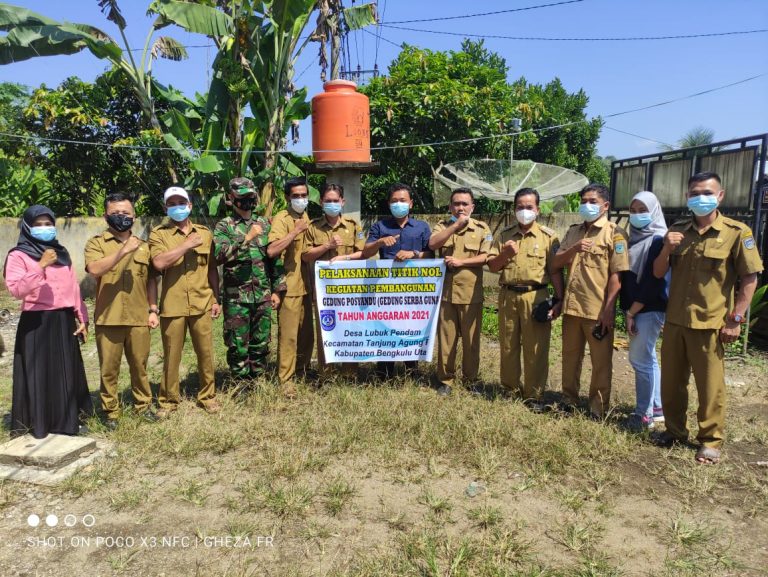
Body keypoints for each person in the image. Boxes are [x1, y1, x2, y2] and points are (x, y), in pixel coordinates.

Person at [652, 172, 762, 464]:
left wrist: (735, 319)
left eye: (706, 192)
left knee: (710, 386)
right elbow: (658, 272)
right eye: (694, 193)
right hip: (675, 320)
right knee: (672, 382)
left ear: (720, 196)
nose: (700, 198)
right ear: (687, 197)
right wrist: (666, 247)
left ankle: (710, 440)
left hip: (711, 324)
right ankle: (674, 431)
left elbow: (750, 278)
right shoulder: (677, 230)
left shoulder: (737, 232)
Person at [4, 205, 93, 438]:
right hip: (36, 321)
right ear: (27, 227)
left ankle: (67, 421)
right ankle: (40, 423)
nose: (45, 228)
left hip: (63, 319)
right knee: (39, 372)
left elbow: (73, 287)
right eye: (38, 224)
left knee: (66, 371)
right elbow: (16, 290)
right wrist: (40, 265)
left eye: (48, 223)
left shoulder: (61, 253)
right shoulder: (18, 255)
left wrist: (81, 317)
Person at [552, 183, 629, 419]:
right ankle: (568, 400)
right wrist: (573, 249)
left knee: (601, 362)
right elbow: (555, 263)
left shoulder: (615, 233)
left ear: (605, 206)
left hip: (597, 311)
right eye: (584, 201)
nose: (586, 205)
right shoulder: (573, 232)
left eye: (592, 201)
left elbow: (617, 275)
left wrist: (609, 310)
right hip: (573, 307)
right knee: (570, 358)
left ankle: (598, 408)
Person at [85, 192, 160, 429]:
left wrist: (153, 309)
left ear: (134, 215)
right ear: (106, 216)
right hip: (109, 317)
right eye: (116, 213)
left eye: (126, 213)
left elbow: (150, 281)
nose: (121, 217)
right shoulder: (96, 243)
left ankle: (143, 405)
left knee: (140, 366)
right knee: (109, 369)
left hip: (139, 316)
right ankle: (111, 413)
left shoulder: (144, 247)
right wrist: (122, 252)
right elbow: (94, 269)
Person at [487, 188, 563, 410]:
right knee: (508, 345)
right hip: (508, 295)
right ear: (514, 210)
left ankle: (534, 395)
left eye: (529, 207)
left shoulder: (549, 237)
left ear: (537, 210)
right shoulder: (504, 235)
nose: (524, 211)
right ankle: (510, 390)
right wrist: (505, 254)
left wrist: (559, 300)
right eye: (520, 207)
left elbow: (556, 270)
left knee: (536, 348)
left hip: (536, 295)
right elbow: (492, 266)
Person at [149, 186, 222, 418]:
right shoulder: (158, 234)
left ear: (190, 205)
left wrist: (216, 298)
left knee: (205, 352)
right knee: (172, 355)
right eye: (172, 204)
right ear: (166, 208)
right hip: (173, 304)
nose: (177, 207)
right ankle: (169, 401)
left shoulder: (205, 233)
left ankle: (208, 396)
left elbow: (211, 269)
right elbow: (159, 263)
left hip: (202, 301)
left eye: (182, 202)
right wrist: (186, 245)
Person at [214, 177, 286, 382]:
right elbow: (219, 256)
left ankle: (257, 380)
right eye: (242, 197)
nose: (248, 201)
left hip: (262, 295)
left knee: (261, 342)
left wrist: (277, 290)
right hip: (237, 298)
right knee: (237, 344)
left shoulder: (264, 223)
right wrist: (246, 238)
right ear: (231, 198)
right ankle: (240, 383)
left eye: (251, 196)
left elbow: (273, 259)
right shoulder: (224, 226)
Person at [361, 182, 431, 378]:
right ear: (388, 204)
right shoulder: (379, 226)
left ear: (410, 204)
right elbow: (366, 252)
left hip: (413, 288)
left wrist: (413, 253)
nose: (398, 204)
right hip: (387, 289)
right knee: (386, 326)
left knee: (410, 326)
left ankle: (412, 370)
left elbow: (431, 254)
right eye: (394, 201)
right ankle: (384, 371)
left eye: (402, 200)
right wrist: (380, 242)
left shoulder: (421, 227)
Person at [428, 187, 492, 396]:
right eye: (456, 204)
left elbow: (486, 257)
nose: (461, 207)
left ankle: (471, 379)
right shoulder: (442, 226)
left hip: (470, 294)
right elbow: (432, 243)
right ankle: (446, 380)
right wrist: (455, 226)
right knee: (447, 340)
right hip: (446, 293)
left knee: (471, 340)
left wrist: (461, 262)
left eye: (465, 204)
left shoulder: (482, 229)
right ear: (450, 207)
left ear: (472, 207)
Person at [302, 183, 365, 375]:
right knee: (326, 332)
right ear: (321, 202)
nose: (332, 204)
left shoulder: (353, 225)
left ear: (342, 202)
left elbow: (362, 253)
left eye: (335, 201)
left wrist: (343, 258)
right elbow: (305, 255)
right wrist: (326, 246)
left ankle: (350, 372)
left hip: (349, 291)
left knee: (349, 330)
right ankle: (326, 373)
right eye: (328, 201)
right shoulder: (313, 227)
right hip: (324, 291)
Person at [619, 191, 668, 432]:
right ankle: (657, 408)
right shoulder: (635, 238)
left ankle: (643, 415)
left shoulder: (659, 240)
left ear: (655, 211)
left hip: (647, 308)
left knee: (639, 360)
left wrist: (631, 312)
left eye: (643, 210)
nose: (638, 215)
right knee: (648, 357)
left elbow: (653, 282)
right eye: (634, 210)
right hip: (639, 308)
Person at [267, 177, 313, 397]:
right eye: (296, 196)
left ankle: (303, 372)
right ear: (287, 197)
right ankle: (286, 379)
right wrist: (294, 232)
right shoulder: (282, 218)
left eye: (304, 195)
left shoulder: (308, 217)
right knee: (289, 336)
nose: (301, 199)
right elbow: (272, 250)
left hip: (308, 285)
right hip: (289, 285)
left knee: (306, 334)